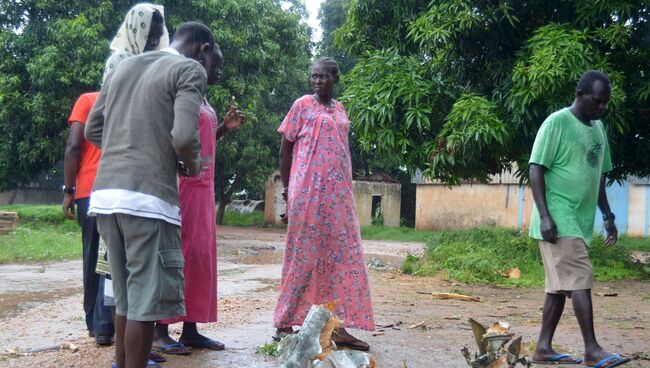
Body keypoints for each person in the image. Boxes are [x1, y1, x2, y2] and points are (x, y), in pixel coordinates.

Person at [85, 22, 215, 368]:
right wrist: (186, 163)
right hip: (149, 200)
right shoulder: (188, 69)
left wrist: (124, 148)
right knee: (144, 302)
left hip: (106, 197)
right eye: (213, 59)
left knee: (126, 299)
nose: (211, 67)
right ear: (202, 48)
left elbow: (93, 127)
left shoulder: (126, 65)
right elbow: (185, 137)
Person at [529, 70, 630, 368]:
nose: (602, 108)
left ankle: (543, 349)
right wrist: (545, 216)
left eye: (605, 103)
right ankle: (592, 350)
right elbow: (536, 168)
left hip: (580, 219)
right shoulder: (557, 122)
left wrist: (608, 216)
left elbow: (597, 175)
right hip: (558, 218)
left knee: (558, 288)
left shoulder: (598, 129)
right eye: (597, 101)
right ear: (580, 94)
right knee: (580, 279)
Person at [273, 57, 375, 351]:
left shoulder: (340, 109)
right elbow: (286, 150)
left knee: (341, 260)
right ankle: (284, 323)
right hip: (307, 194)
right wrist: (288, 188)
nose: (317, 81)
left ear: (335, 78)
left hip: (339, 197)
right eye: (314, 77)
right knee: (302, 258)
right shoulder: (302, 106)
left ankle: (335, 326)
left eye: (323, 77)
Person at [153, 46, 244, 354]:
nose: (218, 72)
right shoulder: (180, 87)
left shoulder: (201, 97)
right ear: (202, 56)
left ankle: (190, 329)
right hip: (184, 188)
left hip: (203, 190)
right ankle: (160, 328)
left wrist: (223, 129)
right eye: (215, 66)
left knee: (200, 259)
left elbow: (198, 139)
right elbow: (173, 136)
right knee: (177, 255)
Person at [63, 92, 115, 346]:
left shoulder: (87, 100)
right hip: (117, 189)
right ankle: (106, 324)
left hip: (89, 192)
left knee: (92, 256)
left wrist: (69, 190)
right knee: (111, 258)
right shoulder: (129, 99)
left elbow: (73, 146)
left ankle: (94, 325)